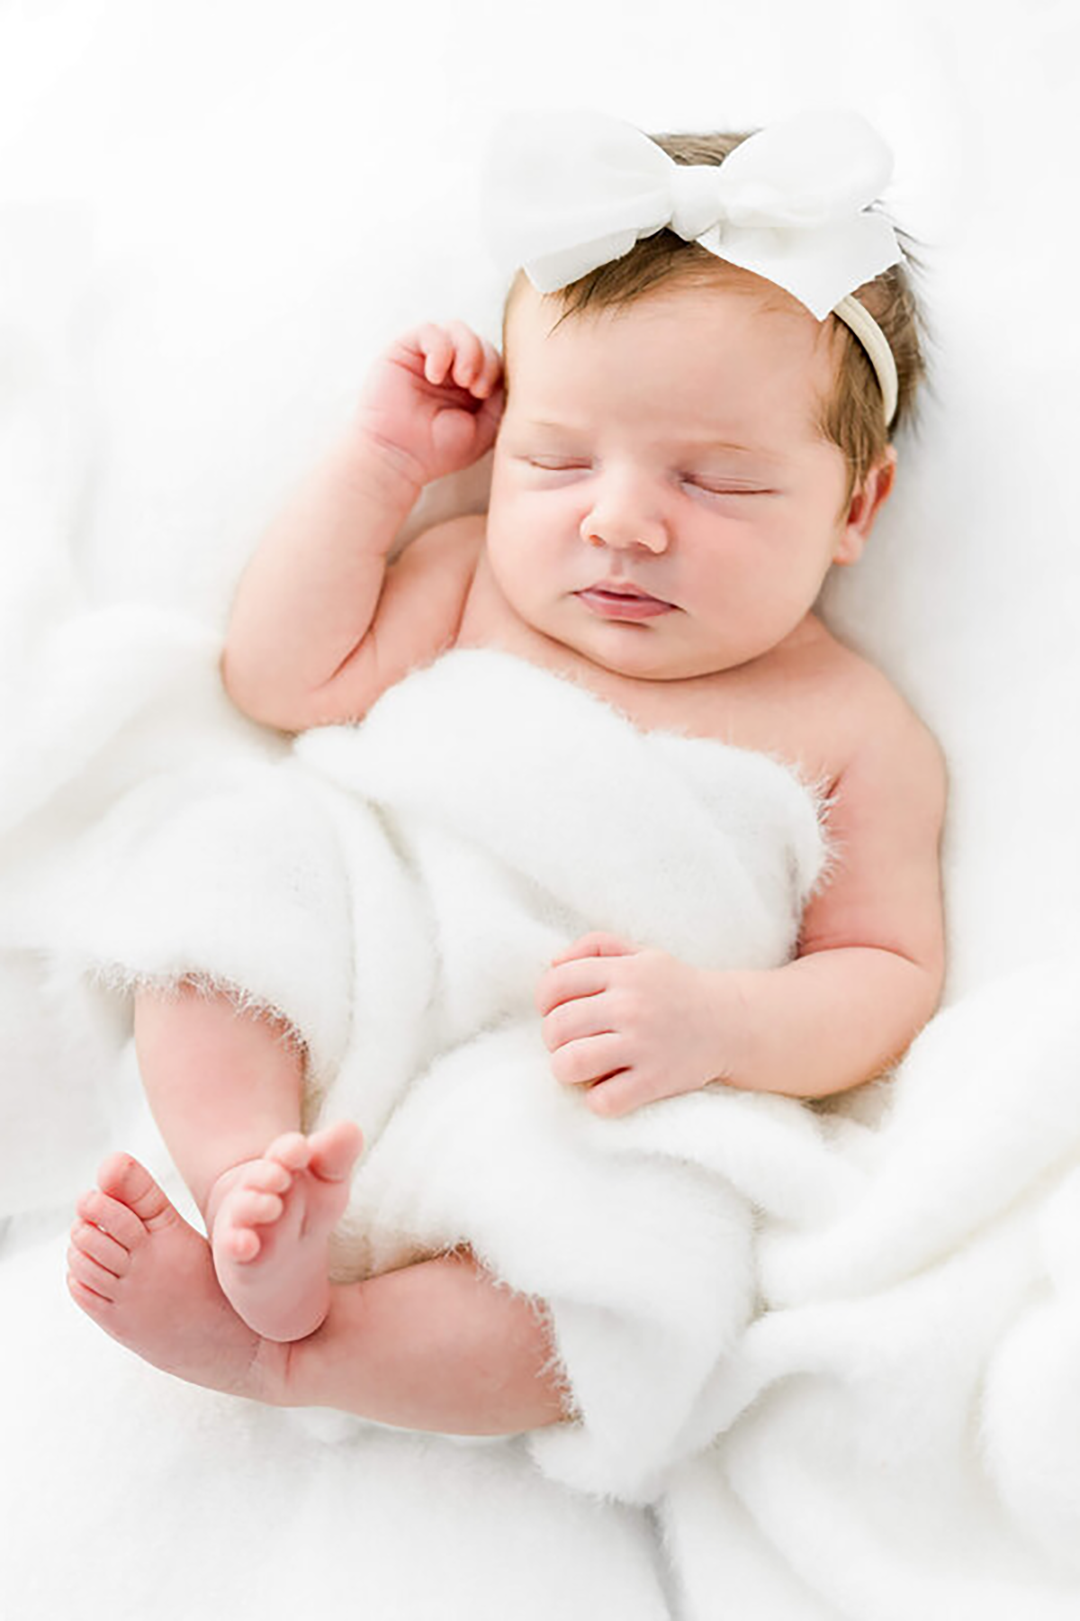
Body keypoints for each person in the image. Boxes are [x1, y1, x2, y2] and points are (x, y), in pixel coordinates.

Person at [66, 108, 946, 1435]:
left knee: (653, 1254)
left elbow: (884, 974)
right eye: (558, 460)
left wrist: (718, 1026)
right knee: (223, 863)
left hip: (572, 1093)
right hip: (364, 965)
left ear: (854, 508)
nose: (620, 520)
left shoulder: (854, 726)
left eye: (716, 483)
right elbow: (279, 680)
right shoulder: (469, 579)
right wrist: (384, 465)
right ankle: (248, 1180)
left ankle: (294, 1355)